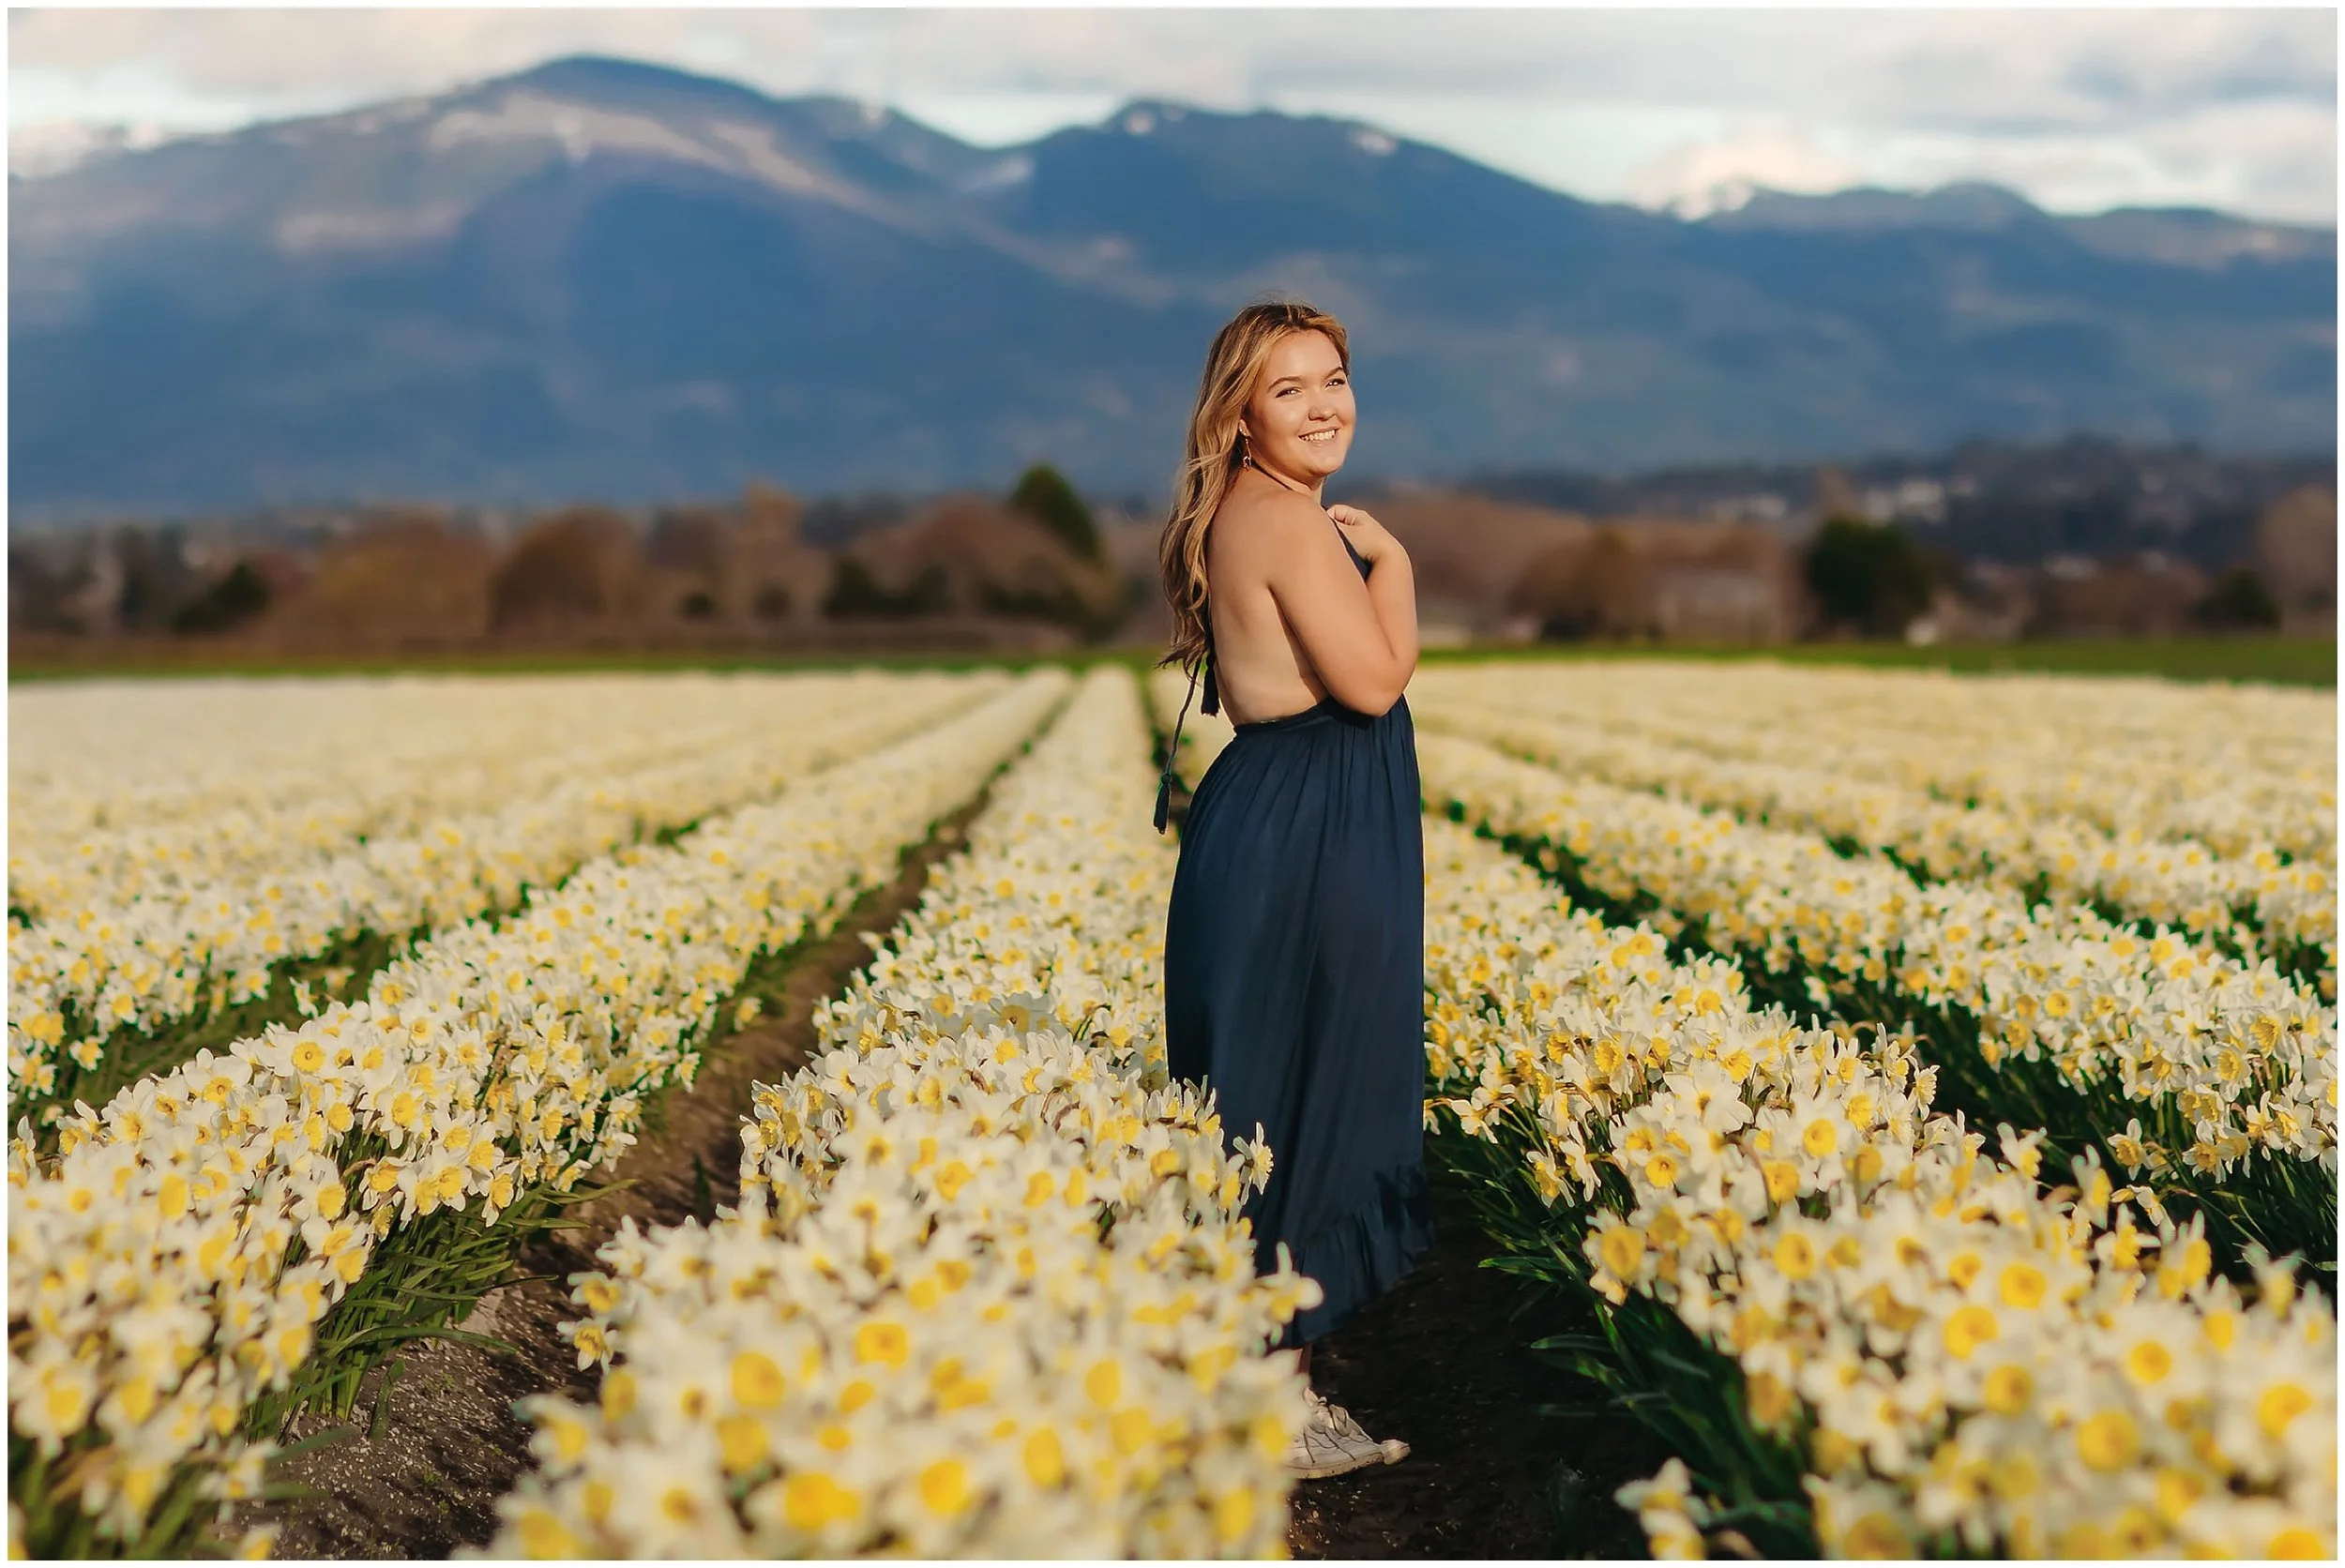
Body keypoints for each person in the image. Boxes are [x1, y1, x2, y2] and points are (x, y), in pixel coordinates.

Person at [1156, 299, 1431, 1480]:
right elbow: (1370, 682)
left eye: (1335, 378)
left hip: (1281, 813)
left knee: (1273, 1086)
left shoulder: (1243, 511)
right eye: (1291, 390)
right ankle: (1282, 1402)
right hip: (1311, 821)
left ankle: (1265, 1388)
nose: (1324, 406)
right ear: (1241, 412)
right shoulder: (1286, 521)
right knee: (1317, 1088)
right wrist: (1400, 568)